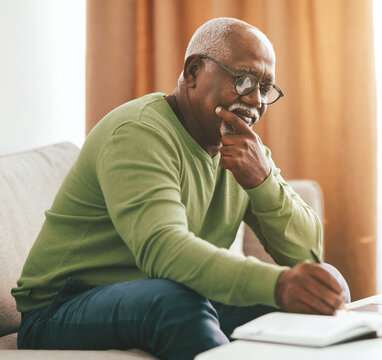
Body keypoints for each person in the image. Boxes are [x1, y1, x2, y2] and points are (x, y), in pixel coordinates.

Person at [12, 17, 350, 359]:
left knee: (323, 288)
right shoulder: (139, 132)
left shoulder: (245, 150)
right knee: (174, 302)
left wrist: (262, 182)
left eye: (265, 87)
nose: (256, 100)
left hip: (170, 292)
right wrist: (277, 285)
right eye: (244, 79)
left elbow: (307, 256)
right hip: (61, 308)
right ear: (193, 72)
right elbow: (163, 251)